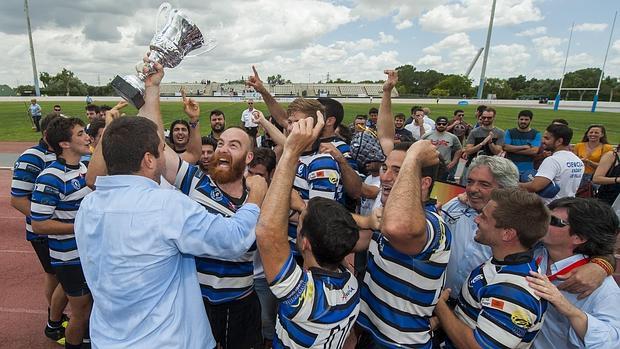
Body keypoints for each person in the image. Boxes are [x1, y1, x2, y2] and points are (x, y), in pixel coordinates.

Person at [79, 60, 268, 349]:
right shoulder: (176, 198)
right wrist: (258, 195)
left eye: (234, 145)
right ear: (148, 160)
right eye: (222, 143)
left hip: (110, 338)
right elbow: (234, 239)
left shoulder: (87, 207)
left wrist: (152, 87)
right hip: (170, 337)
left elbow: (150, 142)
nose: (222, 149)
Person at [255, 114, 361, 349]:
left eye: (300, 223)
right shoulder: (350, 283)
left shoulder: (302, 296)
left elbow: (267, 233)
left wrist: (291, 152)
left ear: (305, 244)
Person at [355, 139, 451, 347]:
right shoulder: (387, 214)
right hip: (373, 331)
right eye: (384, 167)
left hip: (400, 342)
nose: (384, 177)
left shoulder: (432, 224)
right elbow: (353, 241)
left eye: (398, 171)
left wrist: (415, 155)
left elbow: (397, 228)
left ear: (424, 184)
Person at [435, 188, 550, 349]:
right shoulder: (503, 263)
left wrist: (439, 304)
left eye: (484, 217)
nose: (476, 220)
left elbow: (478, 347)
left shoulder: (515, 291)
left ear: (507, 234)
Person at [30, 117, 93, 349]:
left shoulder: (85, 167)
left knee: (91, 306)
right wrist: (80, 227)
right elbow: (40, 225)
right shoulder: (50, 177)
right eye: (80, 134)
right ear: (64, 144)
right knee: (80, 311)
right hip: (68, 257)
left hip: (87, 254)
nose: (87, 137)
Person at [529, 197, 620, 349]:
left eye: (553, 221)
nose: (543, 222)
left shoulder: (602, 289)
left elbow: (612, 342)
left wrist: (570, 310)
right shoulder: (536, 251)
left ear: (579, 238)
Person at [10, 113, 68, 344]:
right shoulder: (32, 157)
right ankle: (54, 321)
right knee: (62, 277)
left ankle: (56, 317)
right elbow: (18, 199)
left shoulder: (62, 154)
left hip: (61, 230)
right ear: (48, 134)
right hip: (45, 233)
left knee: (55, 276)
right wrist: (45, 223)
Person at [441, 155, 519, 299]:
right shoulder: (454, 206)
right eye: (470, 181)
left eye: (484, 184)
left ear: (505, 189)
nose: (473, 189)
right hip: (441, 299)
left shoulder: (519, 223)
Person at [520, 124, 584, 204]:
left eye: (547, 138)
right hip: (568, 205)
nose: (542, 141)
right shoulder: (578, 161)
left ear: (559, 141)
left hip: (551, 207)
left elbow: (535, 186)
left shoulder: (553, 160)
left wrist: (514, 185)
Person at [461, 107, 505, 185]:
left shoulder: (500, 132)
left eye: (489, 118)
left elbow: (497, 151)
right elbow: (468, 151)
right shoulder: (474, 132)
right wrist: (482, 144)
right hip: (473, 166)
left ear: (494, 117)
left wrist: (490, 142)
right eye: (484, 117)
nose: (486, 119)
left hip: (491, 168)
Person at [422, 116, 463, 181]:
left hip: (444, 166)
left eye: (444, 124)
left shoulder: (452, 137)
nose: (441, 125)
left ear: (447, 125)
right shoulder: (427, 136)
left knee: (441, 185)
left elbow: (459, 149)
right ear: (435, 124)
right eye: (439, 124)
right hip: (430, 165)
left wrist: (454, 161)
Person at [503, 110, 541, 175]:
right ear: (518, 120)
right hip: (510, 168)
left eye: (526, 119)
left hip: (527, 170)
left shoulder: (536, 134)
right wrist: (523, 147)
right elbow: (505, 147)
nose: (523, 121)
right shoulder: (509, 132)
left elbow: (534, 151)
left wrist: (513, 150)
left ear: (530, 120)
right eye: (521, 119)